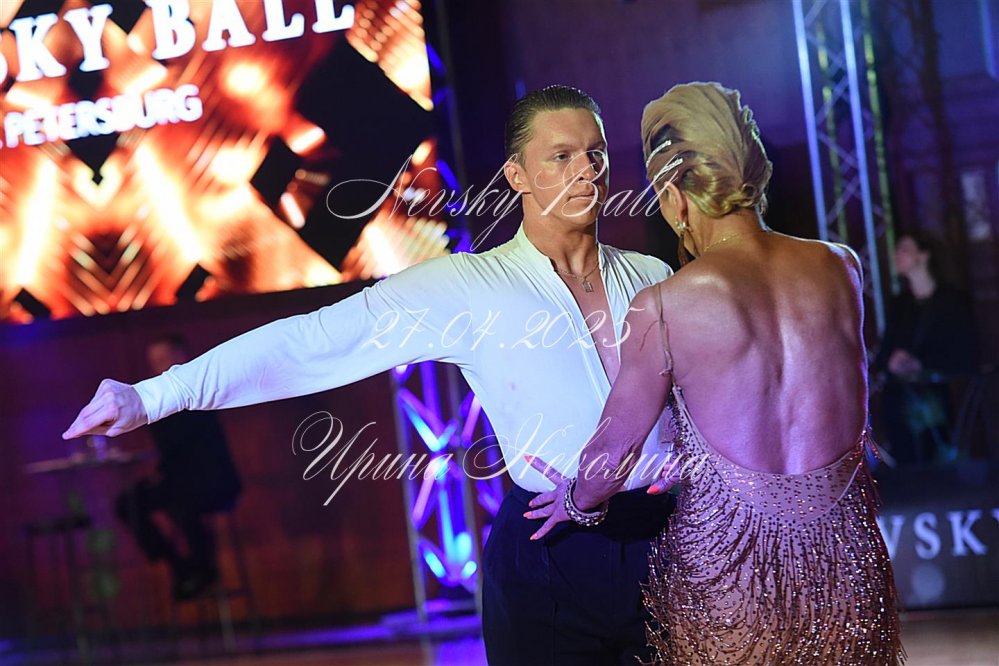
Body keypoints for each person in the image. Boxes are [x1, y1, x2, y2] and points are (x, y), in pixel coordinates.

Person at [63, 86, 676, 664]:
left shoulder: (652, 276)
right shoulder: (468, 286)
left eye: (595, 154)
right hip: (549, 554)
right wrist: (153, 396)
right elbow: (311, 340)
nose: (585, 171)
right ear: (516, 175)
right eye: (561, 156)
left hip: (665, 542)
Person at [524, 82, 904, 664]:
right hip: (843, 562)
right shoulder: (841, 267)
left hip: (733, 572)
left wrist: (574, 500)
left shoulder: (663, 304)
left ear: (674, 196)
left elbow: (612, 455)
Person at [115, 335, 243, 600]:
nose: (159, 370)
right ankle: (179, 566)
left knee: (181, 500)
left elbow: (186, 446)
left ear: (182, 358)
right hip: (180, 481)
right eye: (155, 364)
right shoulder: (162, 400)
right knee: (129, 503)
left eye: (164, 360)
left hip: (214, 481)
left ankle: (202, 569)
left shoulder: (200, 392)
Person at [873, 231, 978, 465]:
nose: (897, 255)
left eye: (904, 249)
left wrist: (921, 363)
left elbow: (965, 350)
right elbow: (885, 350)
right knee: (896, 408)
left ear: (923, 255)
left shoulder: (953, 301)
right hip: (903, 392)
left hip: (943, 387)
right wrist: (894, 361)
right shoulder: (900, 304)